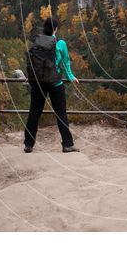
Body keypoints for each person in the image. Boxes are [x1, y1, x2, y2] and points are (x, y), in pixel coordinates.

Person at [23, 17, 80, 153]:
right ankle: (67, 144)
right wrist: (71, 77)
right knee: (61, 113)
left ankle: (28, 144)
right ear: (55, 29)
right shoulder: (60, 43)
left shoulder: (37, 41)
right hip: (55, 83)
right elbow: (65, 63)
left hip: (38, 83)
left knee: (34, 113)